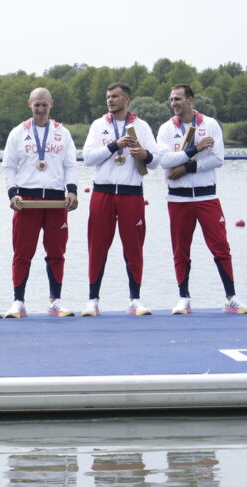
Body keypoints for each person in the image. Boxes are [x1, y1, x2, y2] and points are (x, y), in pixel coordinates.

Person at [157, 84, 246, 315]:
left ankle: (231, 297)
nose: (174, 103)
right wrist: (194, 150)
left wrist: (188, 167)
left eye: (178, 99)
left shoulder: (210, 124)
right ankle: (183, 298)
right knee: (181, 249)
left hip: (207, 196)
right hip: (178, 199)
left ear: (191, 100)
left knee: (221, 247)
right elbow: (164, 161)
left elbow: (218, 159)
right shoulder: (167, 129)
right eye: (171, 100)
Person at [82, 82, 160, 316]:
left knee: (133, 248)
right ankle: (93, 299)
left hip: (131, 193)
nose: (110, 100)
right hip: (103, 192)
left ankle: (135, 299)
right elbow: (87, 158)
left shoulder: (141, 126)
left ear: (127, 99)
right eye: (108, 96)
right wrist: (114, 145)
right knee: (97, 248)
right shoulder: (98, 125)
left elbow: (156, 162)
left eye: (115, 96)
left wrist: (144, 154)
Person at [0, 87, 79, 318]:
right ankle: (18, 301)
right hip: (27, 199)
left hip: (55, 199)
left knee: (56, 251)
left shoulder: (62, 133)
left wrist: (72, 191)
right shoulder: (18, 133)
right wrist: (12, 193)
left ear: (51, 105)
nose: (41, 109)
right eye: (37, 105)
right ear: (29, 105)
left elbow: (70, 165)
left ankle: (55, 300)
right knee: (22, 252)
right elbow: (8, 166)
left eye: (45, 105)